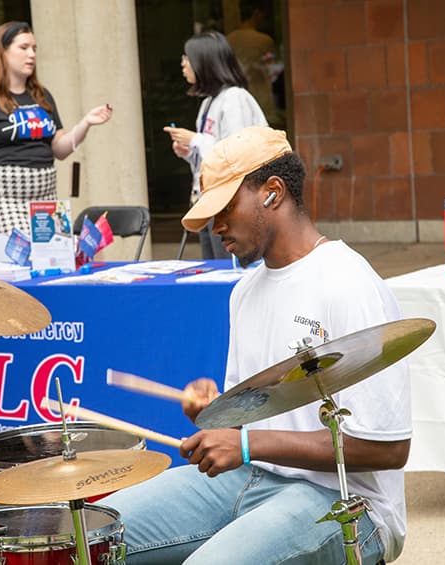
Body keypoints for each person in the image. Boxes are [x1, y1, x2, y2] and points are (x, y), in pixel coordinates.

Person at [103, 126, 411, 564]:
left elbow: (388, 448)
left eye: (226, 207)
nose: (217, 225)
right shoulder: (244, 292)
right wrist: (217, 413)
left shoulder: (349, 284)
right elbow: (255, 417)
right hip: (251, 478)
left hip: (345, 500)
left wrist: (246, 444)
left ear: (272, 192)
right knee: (100, 535)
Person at [0, 21, 113, 239]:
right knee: (27, 254)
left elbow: (60, 149)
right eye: (23, 48)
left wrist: (86, 123)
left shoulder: (42, 96)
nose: (31, 54)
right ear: (2, 52)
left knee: (58, 256)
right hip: (5, 198)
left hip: (45, 196)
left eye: (34, 48)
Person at [163, 31, 267, 260]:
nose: (183, 64)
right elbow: (214, 155)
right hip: (211, 203)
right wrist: (190, 152)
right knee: (214, 268)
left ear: (205, 62)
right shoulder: (209, 103)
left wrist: (195, 140)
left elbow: (239, 151)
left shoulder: (234, 98)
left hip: (232, 204)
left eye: (187, 58)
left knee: (228, 270)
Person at [226, 1, 281, 126]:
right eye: (263, 14)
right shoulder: (264, 41)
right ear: (256, 13)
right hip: (260, 98)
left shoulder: (228, 39)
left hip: (235, 99)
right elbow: (274, 69)